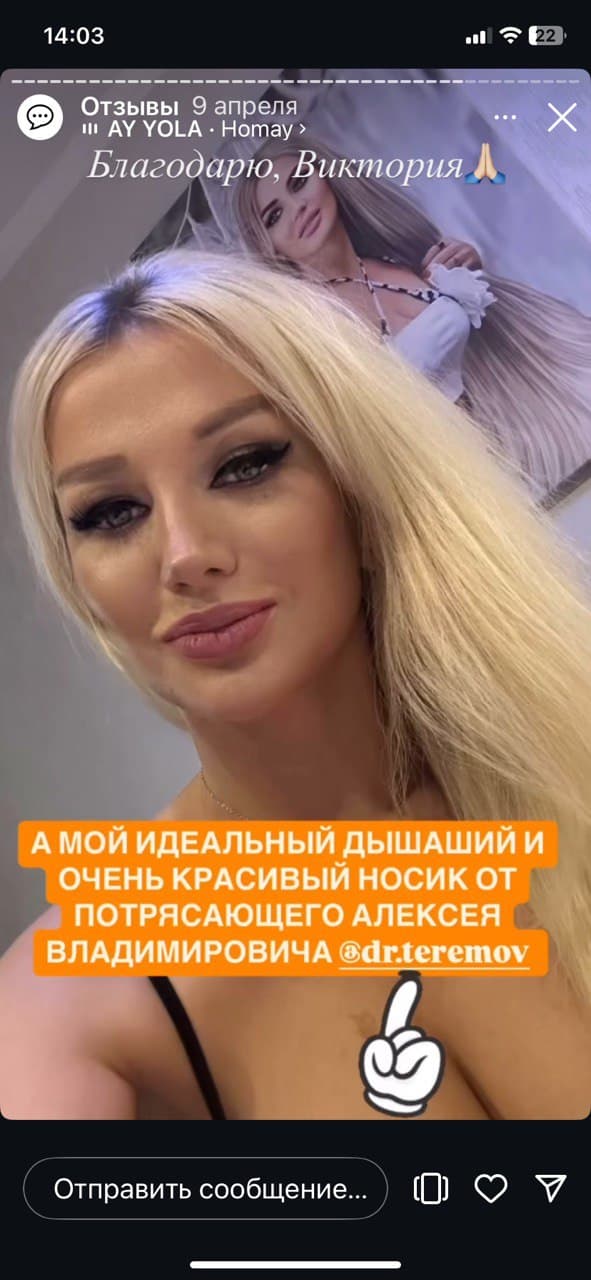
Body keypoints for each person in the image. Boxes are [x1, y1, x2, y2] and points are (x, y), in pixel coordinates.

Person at [2, 248, 591, 1121]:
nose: (184, 555)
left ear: (359, 490)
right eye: (111, 513)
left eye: (244, 464)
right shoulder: (70, 1002)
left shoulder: (567, 750)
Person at [232, 135, 591, 500]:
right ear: (268, 245)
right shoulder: (312, 330)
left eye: (299, 182)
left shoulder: (397, 254)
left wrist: (471, 274)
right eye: (274, 216)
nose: (298, 208)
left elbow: (487, 342)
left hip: (517, 438)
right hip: (452, 487)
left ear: (325, 174)